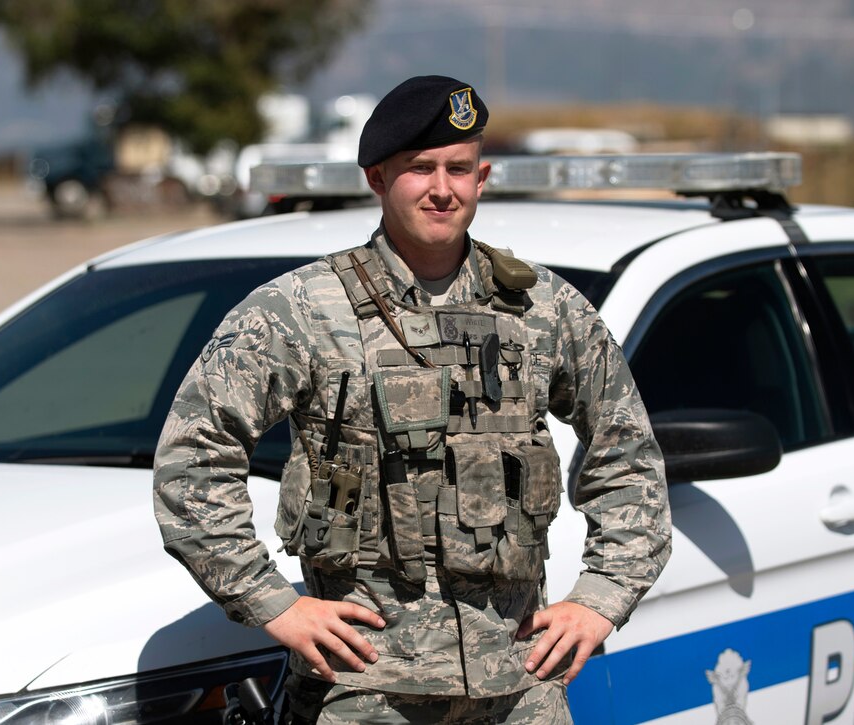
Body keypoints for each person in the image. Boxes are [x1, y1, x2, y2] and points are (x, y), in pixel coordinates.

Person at [153, 75, 671, 724]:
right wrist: (272, 602)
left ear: (483, 179)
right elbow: (192, 458)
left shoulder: (543, 309)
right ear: (376, 178)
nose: (442, 188)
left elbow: (627, 455)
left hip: (520, 686)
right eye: (419, 168)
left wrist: (602, 595)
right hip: (366, 689)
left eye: (459, 168)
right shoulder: (301, 310)